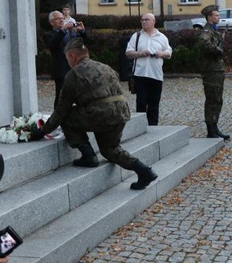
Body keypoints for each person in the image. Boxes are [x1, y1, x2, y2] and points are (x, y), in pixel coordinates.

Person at [38, 39, 158, 190]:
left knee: (67, 117)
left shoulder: (73, 74)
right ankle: (144, 170)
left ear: (73, 56)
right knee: (109, 150)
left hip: (101, 115)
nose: (67, 61)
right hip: (120, 113)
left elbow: (62, 110)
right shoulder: (105, 67)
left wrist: (42, 131)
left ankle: (88, 155)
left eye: (67, 58)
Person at [125, 13, 172, 126]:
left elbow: (169, 53)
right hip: (140, 75)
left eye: (147, 20)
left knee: (154, 103)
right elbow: (128, 53)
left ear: (153, 22)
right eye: (142, 20)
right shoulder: (136, 36)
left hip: (156, 75)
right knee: (141, 103)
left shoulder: (161, 37)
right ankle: (140, 127)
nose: (144, 22)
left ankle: (153, 126)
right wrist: (140, 53)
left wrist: (160, 53)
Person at [196, 5, 230, 140]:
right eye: (216, 15)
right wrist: (217, 50)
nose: (219, 17)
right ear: (209, 17)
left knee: (217, 99)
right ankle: (211, 128)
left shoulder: (213, 30)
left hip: (216, 69)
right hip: (211, 70)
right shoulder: (207, 30)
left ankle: (215, 126)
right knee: (212, 99)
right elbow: (203, 42)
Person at [43, 10, 86, 108]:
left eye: (62, 18)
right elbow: (52, 45)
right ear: (51, 22)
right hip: (61, 70)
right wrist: (62, 30)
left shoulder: (70, 32)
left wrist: (82, 31)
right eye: (58, 19)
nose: (61, 21)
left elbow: (83, 43)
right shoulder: (50, 35)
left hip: (75, 68)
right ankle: (57, 118)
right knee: (61, 96)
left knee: (79, 95)